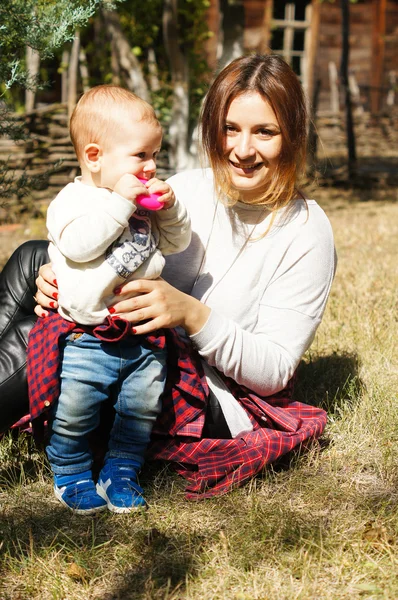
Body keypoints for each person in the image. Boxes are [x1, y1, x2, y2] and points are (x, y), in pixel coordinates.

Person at [0, 54, 336, 501]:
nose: (242, 149)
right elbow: (116, 249)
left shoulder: (307, 230)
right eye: (230, 128)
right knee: (31, 258)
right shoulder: (191, 187)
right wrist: (61, 273)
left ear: (291, 136)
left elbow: (274, 371)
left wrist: (192, 314)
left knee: (41, 335)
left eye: (265, 132)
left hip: (202, 385)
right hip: (135, 335)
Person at [27, 84, 191, 514]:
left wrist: (169, 210)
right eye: (141, 155)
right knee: (76, 410)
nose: (152, 165)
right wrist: (122, 201)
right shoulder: (74, 201)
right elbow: (81, 246)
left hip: (142, 334)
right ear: (95, 156)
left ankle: (121, 470)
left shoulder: (141, 202)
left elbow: (175, 244)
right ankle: (70, 470)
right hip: (89, 336)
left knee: (139, 413)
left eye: (155, 154)